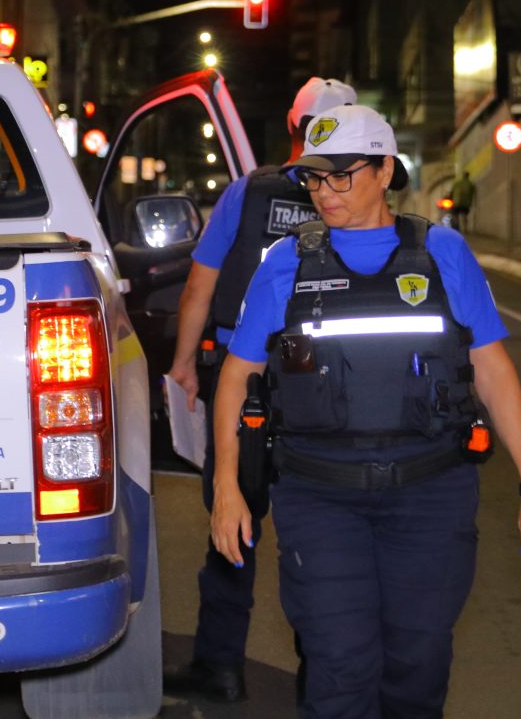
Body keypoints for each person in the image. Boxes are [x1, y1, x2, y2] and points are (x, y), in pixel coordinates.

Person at [209, 104, 521, 718]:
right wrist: (225, 487)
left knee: (418, 666)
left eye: (340, 175)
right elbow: (239, 376)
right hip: (320, 498)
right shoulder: (285, 263)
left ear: (383, 170)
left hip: (430, 494)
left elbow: (493, 370)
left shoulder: (443, 254)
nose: (325, 192)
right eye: (314, 178)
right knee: (340, 666)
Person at [163, 77, 357, 703]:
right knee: (318, 531)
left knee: (233, 519)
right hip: (321, 385)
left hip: (242, 381)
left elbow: (200, 285)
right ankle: (318, 674)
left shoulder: (248, 194)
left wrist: (186, 363)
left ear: (292, 125)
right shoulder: (358, 195)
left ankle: (220, 666)